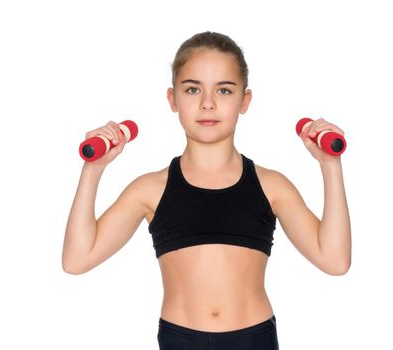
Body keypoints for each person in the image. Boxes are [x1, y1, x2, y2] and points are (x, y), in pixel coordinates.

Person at [62, 31, 351, 350]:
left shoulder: (271, 186)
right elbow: (77, 259)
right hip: (180, 340)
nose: (208, 103)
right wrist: (93, 169)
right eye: (192, 89)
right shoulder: (150, 189)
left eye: (224, 90)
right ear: (173, 99)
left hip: (253, 339)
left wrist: (330, 165)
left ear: (245, 101)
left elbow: (335, 260)